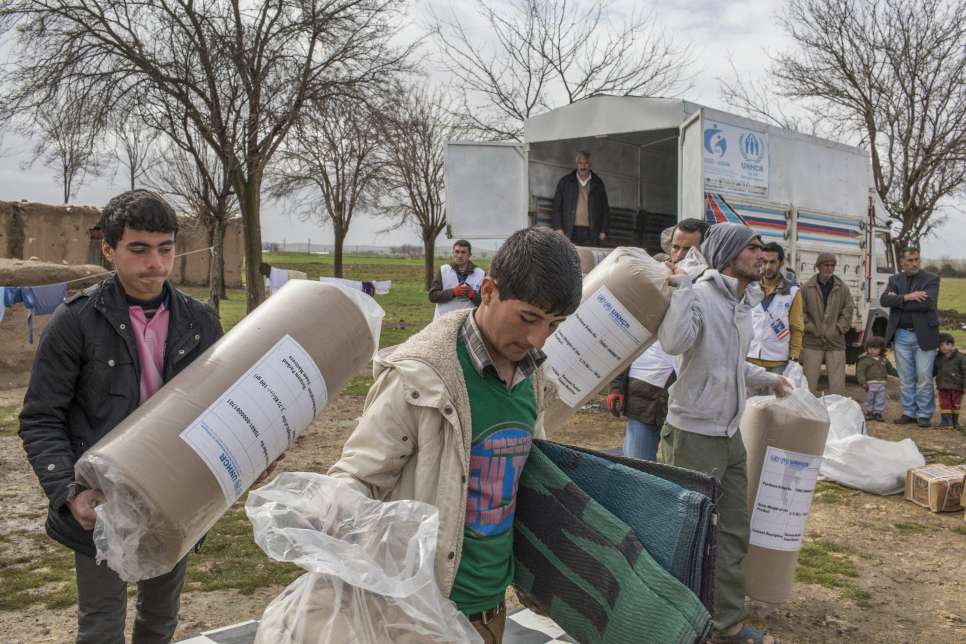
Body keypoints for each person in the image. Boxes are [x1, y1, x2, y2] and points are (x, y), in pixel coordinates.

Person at [329, 227, 582, 643]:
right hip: (418, 617)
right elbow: (358, 478)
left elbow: (519, 487)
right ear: (488, 291)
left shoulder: (532, 376)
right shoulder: (420, 376)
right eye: (529, 318)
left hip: (489, 612)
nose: (538, 339)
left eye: (554, 325)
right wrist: (330, 525)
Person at [18, 190, 224, 644]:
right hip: (102, 501)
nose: (156, 262)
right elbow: (40, 417)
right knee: (101, 629)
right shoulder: (75, 322)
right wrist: (69, 494)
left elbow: (219, 410)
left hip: (174, 498)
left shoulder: (201, 322)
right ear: (109, 250)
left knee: (159, 624)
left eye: (165, 248)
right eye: (139, 249)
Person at [658, 222, 790, 644]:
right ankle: (676, 615)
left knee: (732, 528)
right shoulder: (697, 294)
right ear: (730, 255)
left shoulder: (742, 302)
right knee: (689, 532)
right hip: (692, 433)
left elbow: (730, 365)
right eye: (752, 249)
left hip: (730, 433)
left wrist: (769, 380)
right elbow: (674, 343)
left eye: (762, 251)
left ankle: (726, 622)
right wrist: (679, 289)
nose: (761, 256)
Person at [606, 219, 708, 460]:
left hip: (684, 395)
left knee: (678, 474)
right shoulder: (652, 279)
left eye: (689, 250)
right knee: (636, 469)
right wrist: (616, 386)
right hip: (644, 388)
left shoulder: (707, 290)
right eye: (676, 247)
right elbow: (628, 333)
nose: (679, 255)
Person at [881, 247, 940, 427]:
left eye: (917, 259)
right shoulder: (894, 279)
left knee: (923, 376)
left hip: (924, 335)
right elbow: (884, 300)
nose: (915, 263)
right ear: (902, 262)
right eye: (911, 260)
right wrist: (909, 297)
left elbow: (928, 304)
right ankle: (909, 412)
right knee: (906, 378)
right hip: (901, 336)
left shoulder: (931, 279)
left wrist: (898, 301)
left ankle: (924, 414)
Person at [747, 242, 803, 395]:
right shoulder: (749, 287)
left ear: (781, 263)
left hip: (777, 362)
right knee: (748, 410)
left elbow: (797, 328)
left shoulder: (792, 292)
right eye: (764, 262)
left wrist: (794, 358)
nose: (768, 267)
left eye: (772, 262)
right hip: (750, 360)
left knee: (774, 410)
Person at [800, 252, 854, 396]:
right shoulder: (806, 288)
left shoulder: (842, 288)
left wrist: (837, 329)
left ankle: (835, 416)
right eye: (826, 265)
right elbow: (800, 312)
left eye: (832, 265)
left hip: (836, 342)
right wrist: (811, 328)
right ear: (818, 266)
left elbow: (848, 311)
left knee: (837, 387)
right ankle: (808, 416)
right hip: (812, 341)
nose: (829, 268)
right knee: (808, 385)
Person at [551, 150, 609, 246]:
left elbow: (605, 209)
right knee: (569, 258)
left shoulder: (598, 183)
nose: (583, 166)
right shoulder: (565, 182)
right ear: (576, 164)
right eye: (580, 163)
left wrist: (604, 230)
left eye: (586, 163)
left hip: (591, 231)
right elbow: (556, 207)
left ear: (590, 164)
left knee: (588, 258)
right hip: (569, 230)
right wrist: (558, 228)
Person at [429, 239, 485, 319]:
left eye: (463, 252)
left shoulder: (481, 274)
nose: (459, 255)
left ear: (469, 255)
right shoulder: (443, 270)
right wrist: (453, 292)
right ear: (453, 253)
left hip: (468, 323)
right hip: (443, 322)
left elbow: (486, 302)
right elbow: (432, 296)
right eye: (457, 252)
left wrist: (473, 295)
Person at [855, 336, 894, 421]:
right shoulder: (864, 360)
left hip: (882, 384)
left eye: (875, 348)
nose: (872, 350)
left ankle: (878, 413)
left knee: (880, 398)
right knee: (869, 398)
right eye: (870, 348)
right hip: (870, 384)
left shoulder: (884, 360)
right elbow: (860, 372)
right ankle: (868, 412)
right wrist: (862, 382)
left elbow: (890, 370)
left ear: (881, 349)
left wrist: (900, 374)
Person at [934, 333, 966, 429]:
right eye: (941, 345)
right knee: (944, 403)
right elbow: (934, 371)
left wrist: (965, 386)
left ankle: (955, 422)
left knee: (955, 404)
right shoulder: (938, 358)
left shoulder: (961, 358)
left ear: (952, 345)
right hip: (943, 386)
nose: (944, 347)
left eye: (947, 344)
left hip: (957, 387)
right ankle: (946, 422)